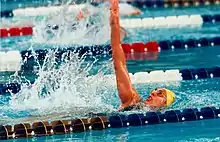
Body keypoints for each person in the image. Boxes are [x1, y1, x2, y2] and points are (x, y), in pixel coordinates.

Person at [109, 0, 176, 111]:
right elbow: (120, 64)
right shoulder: (132, 100)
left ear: (165, 104)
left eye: (160, 93)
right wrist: (114, 24)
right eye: (155, 90)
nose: (153, 92)